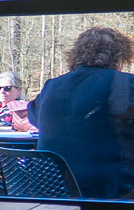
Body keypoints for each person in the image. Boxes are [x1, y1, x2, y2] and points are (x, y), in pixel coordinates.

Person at [32, 26, 134, 199]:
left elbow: (35, 117)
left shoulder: (52, 86)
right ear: (119, 57)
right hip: (113, 195)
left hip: (53, 194)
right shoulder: (126, 84)